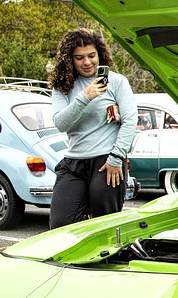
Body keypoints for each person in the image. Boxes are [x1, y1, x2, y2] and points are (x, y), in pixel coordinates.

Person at [47, 28, 137, 228]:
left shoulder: (117, 82)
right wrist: (85, 97)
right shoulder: (63, 85)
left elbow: (130, 121)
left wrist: (116, 157)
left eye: (91, 55)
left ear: (100, 54)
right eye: (79, 58)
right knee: (60, 224)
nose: (87, 62)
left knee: (103, 225)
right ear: (69, 59)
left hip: (107, 161)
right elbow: (61, 123)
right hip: (74, 163)